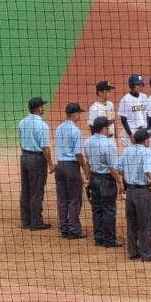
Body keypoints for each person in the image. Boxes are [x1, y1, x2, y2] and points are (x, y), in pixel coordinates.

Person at [111, 127, 151, 262]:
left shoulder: (127, 150)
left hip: (130, 193)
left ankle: (133, 252)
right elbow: (147, 170)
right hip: (142, 192)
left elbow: (115, 169)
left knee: (132, 222)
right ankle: (147, 253)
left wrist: (121, 182)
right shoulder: (147, 152)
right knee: (145, 223)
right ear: (146, 141)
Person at [54, 102, 90, 239]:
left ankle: (64, 228)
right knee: (74, 200)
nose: (79, 115)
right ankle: (74, 229)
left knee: (62, 199)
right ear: (74, 114)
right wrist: (85, 170)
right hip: (71, 167)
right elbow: (78, 154)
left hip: (59, 166)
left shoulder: (59, 128)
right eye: (78, 113)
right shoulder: (76, 131)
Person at [18, 96, 54, 231]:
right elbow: (45, 148)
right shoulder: (42, 125)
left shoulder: (22, 122)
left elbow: (21, 143)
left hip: (24, 158)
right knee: (36, 191)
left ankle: (25, 221)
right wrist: (50, 164)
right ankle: (36, 222)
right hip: (37, 160)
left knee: (26, 189)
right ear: (38, 108)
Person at [84, 116, 121, 247]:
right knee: (109, 209)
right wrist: (120, 183)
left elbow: (87, 163)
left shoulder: (88, 141)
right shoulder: (110, 143)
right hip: (106, 180)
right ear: (104, 129)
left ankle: (98, 237)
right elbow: (113, 168)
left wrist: (89, 179)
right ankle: (109, 240)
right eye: (108, 126)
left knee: (97, 209)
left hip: (94, 178)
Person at [118, 74, 148, 149]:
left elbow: (146, 115)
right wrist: (130, 135)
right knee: (131, 157)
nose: (141, 86)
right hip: (131, 132)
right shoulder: (125, 99)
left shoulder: (144, 97)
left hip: (142, 131)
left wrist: (146, 133)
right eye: (138, 84)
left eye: (142, 84)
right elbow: (123, 120)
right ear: (132, 85)